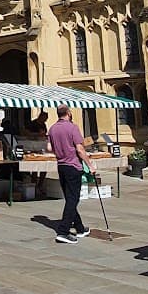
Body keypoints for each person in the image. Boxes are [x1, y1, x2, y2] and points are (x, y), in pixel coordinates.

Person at [48, 105, 94, 244]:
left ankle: (80, 228)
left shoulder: (52, 128)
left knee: (70, 198)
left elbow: (49, 147)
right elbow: (80, 149)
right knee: (73, 199)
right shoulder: (72, 127)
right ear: (68, 113)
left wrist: (61, 150)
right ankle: (63, 231)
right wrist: (90, 165)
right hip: (73, 166)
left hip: (61, 166)